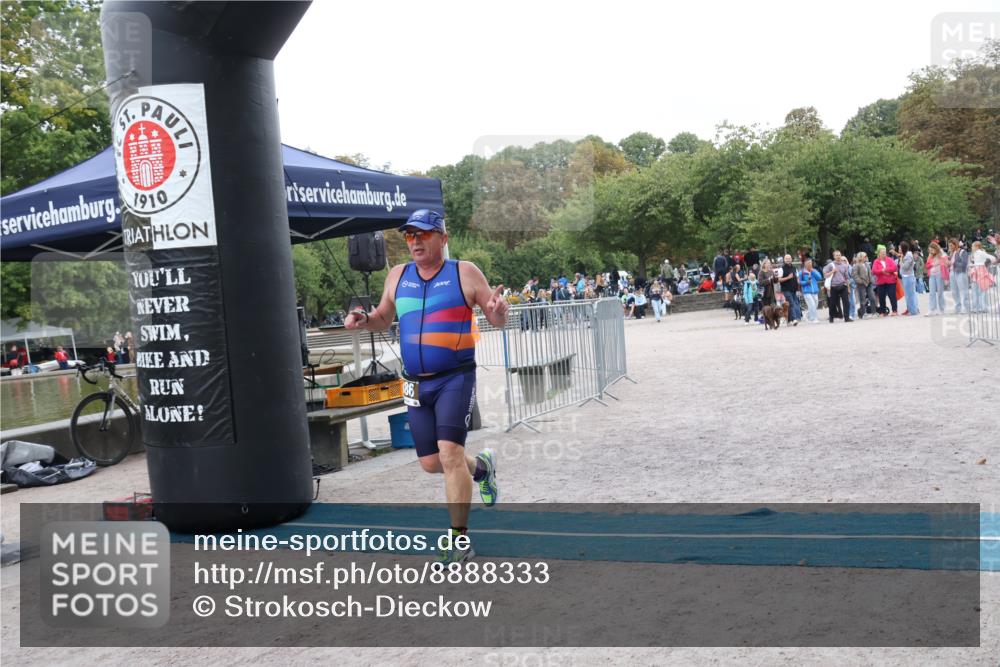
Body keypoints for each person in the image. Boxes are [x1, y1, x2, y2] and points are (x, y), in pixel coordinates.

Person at [344, 209, 505, 565]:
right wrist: (363, 319)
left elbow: (493, 316)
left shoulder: (464, 271)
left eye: (424, 234)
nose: (415, 241)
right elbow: (383, 318)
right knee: (432, 462)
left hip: (455, 378)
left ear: (442, 238)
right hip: (416, 383)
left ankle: (459, 539)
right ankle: (481, 469)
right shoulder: (398, 275)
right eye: (410, 236)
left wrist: (499, 311)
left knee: (449, 455)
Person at [824, 250, 852, 323]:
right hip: (833, 287)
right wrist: (832, 271)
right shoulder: (830, 265)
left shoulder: (844, 265)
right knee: (832, 303)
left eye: (839, 255)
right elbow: (825, 275)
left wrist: (848, 287)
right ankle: (831, 317)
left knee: (846, 302)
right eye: (836, 255)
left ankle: (847, 317)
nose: (838, 257)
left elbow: (846, 278)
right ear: (834, 256)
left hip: (843, 285)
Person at [969, 240, 997, 313]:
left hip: (980, 271)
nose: (971, 247)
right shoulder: (974, 253)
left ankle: (981, 308)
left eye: (973, 246)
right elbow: (992, 258)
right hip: (977, 270)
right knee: (978, 290)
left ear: (977, 246)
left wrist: (984, 264)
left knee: (980, 290)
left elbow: (992, 258)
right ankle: (979, 308)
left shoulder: (980, 252)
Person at [872, 245, 899, 316]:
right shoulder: (876, 261)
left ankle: (894, 310)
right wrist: (881, 271)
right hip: (881, 282)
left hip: (891, 281)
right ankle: (882, 312)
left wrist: (886, 270)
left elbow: (894, 267)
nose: (884, 254)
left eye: (885, 252)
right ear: (879, 254)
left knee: (892, 295)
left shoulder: (889, 259)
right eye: (882, 253)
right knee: (881, 297)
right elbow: (874, 271)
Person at [924, 242, 949, 316]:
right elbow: (927, 266)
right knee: (931, 293)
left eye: (932, 250)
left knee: (940, 292)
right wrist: (933, 264)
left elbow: (945, 263)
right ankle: (932, 309)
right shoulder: (930, 255)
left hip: (939, 275)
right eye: (930, 250)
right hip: (932, 275)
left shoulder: (942, 254)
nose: (931, 251)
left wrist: (939, 261)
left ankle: (942, 309)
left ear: (936, 249)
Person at [948, 238, 970, 314]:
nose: (950, 247)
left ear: (955, 244)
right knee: (954, 292)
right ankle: (958, 307)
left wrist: (953, 263)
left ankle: (966, 308)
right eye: (949, 245)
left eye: (951, 245)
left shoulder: (962, 251)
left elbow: (964, 264)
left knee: (963, 290)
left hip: (960, 272)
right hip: (952, 273)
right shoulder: (951, 253)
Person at [778, 254, 801, 325]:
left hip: (794, 289)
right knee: (791, 303)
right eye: (786, 259)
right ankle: (794, 319)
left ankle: (789, 320)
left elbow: (797, 278)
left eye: (789, 258)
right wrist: (788, 277)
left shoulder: (794, 268)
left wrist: (798, 283)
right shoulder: (781, 269)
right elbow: (779, 280)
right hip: (786, 289)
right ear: (784, 260)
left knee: (794, 304)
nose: (788, 260)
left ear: (791, 259)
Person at [798, 259, 823, 323]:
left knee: (815, 304)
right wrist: (806, 282)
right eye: (808, 263)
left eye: (811, 263)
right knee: (812, 305)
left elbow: (820, 277)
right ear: (805, 264)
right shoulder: (802, 272)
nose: (810, 264)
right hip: (807, 291)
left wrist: (813, 271)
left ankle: (808, 315)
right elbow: (799, 282)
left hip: (815, 291)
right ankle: (813, 319)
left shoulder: (814, 270)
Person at [898, 241, 920, 316]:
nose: (899, 249)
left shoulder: (909, 256)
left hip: (909, 277)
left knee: (910, 295)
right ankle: (911, 309)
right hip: (905, 277)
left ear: (903, 248)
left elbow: (905, 267)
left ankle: (913, 311)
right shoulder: (905, 255)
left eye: (900, 248)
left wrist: (901, 260)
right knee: (909, 294)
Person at [853, 252, 877, 320]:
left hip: (869, 283)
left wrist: (871, 280)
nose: (866, 257)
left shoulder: (867, 264)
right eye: (865, 256)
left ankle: (874, 312)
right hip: (861, 284)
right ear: (860, 257)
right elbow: (854, 275)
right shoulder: (856, 265)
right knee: (862, 299)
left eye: (866, 256)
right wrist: (860, 281)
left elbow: (870, 273)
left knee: (872, 298)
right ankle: (863, 314)